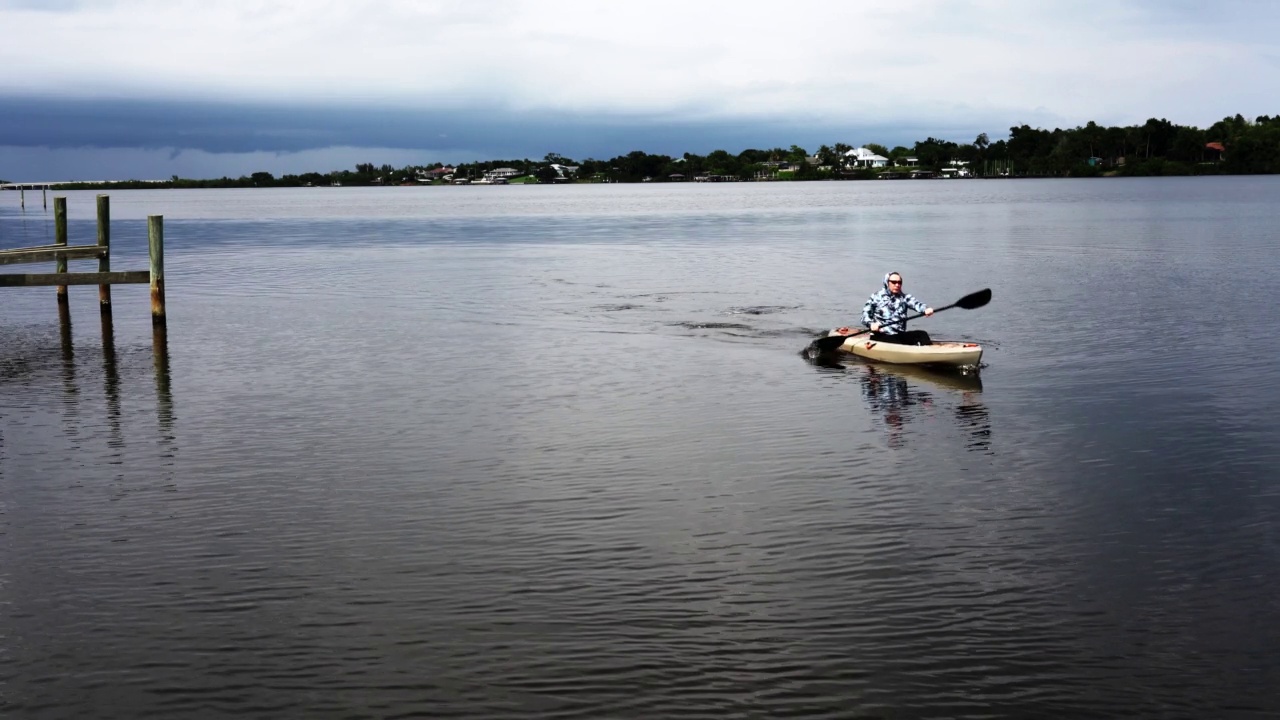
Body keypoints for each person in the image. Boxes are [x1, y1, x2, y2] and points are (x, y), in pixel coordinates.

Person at [861, 272, 934, 345]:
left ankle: (929, 351)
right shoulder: (876, 297)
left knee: (922, 334)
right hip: (881, 335)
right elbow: (865, 315)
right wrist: (871, 324)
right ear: (887, 282)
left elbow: (916, 304)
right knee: (895, 340)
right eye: (894, 282)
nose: (897, 285)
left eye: (899, 282)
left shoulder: (904, 298)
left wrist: (926, 309)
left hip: (899, 335)